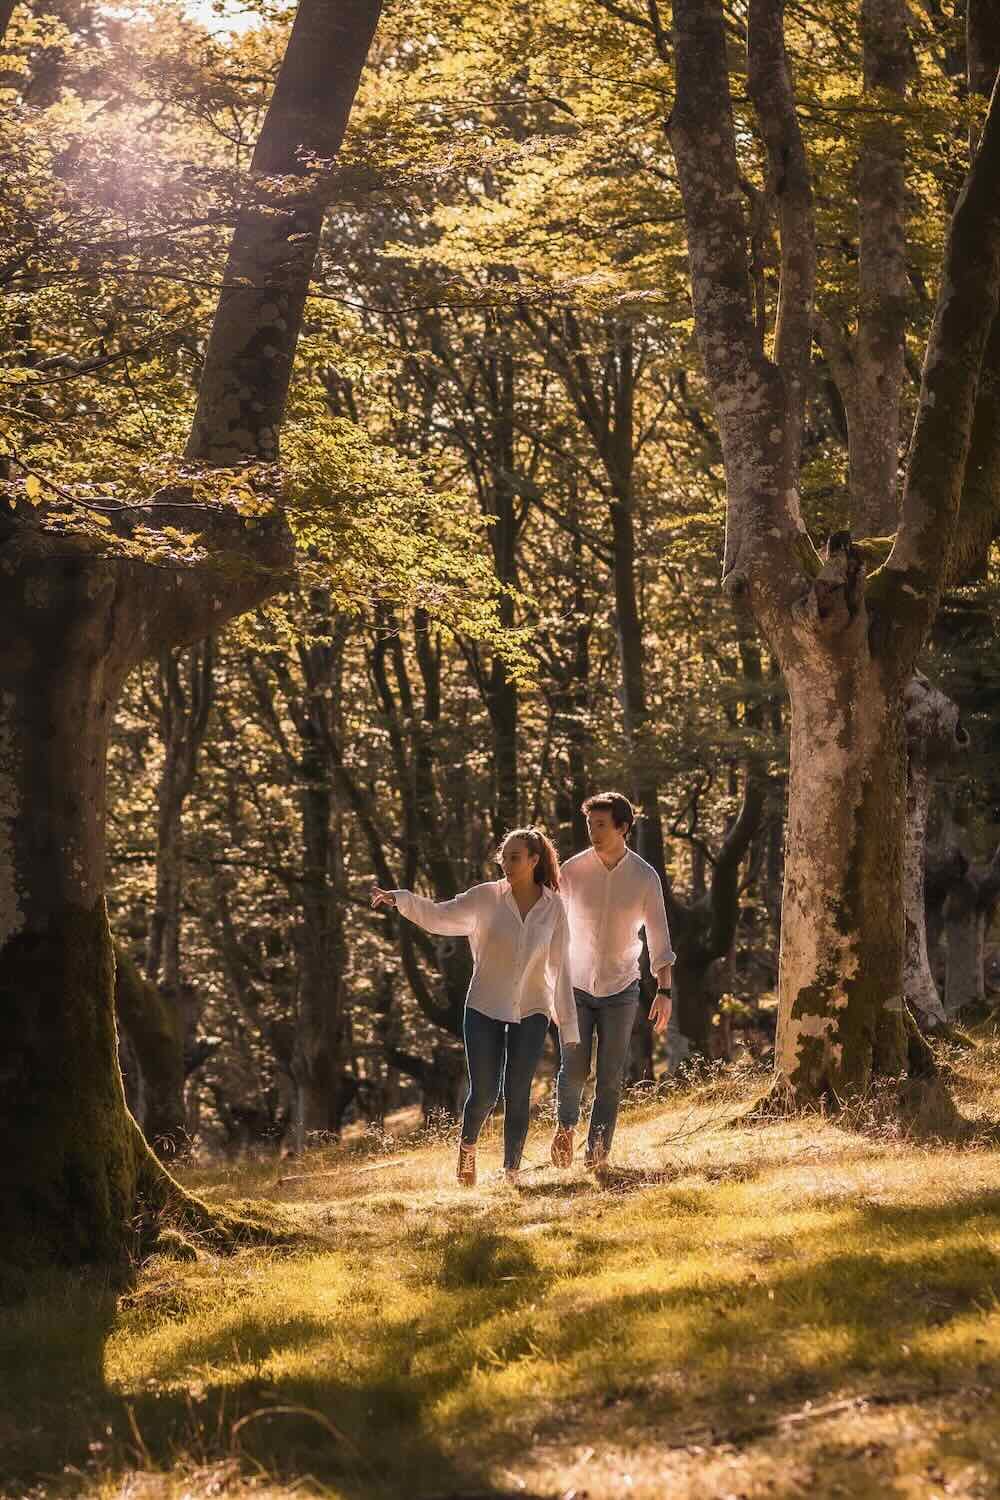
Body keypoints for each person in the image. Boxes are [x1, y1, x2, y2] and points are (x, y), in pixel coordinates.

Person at [371, 827, 579, 1187]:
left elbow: (561, 966)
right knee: (484, 1092)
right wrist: (401, 899)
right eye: (504, 857)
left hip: (531, 1010)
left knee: (518, 1091)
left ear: (534, 860)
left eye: (515, 857)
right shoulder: (486, 898)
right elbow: (439, 915)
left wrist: (568, 1025)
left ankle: (511, 1172)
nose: (507, 863)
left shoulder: (553, 907)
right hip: (484, 1007)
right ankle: (467, 1148)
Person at [550, 791, 675, 1171]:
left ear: (622, 827)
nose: (593, 831)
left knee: (609, 1074)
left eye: (601, 825)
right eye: (590, 824)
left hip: (621, 989)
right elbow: (552, 927)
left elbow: (658, 937)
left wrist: (664, 991)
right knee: (573, 1067)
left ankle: (597, 1153)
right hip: (574, 987)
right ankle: (566, 1126)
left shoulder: (644, 876)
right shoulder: (570, 872)